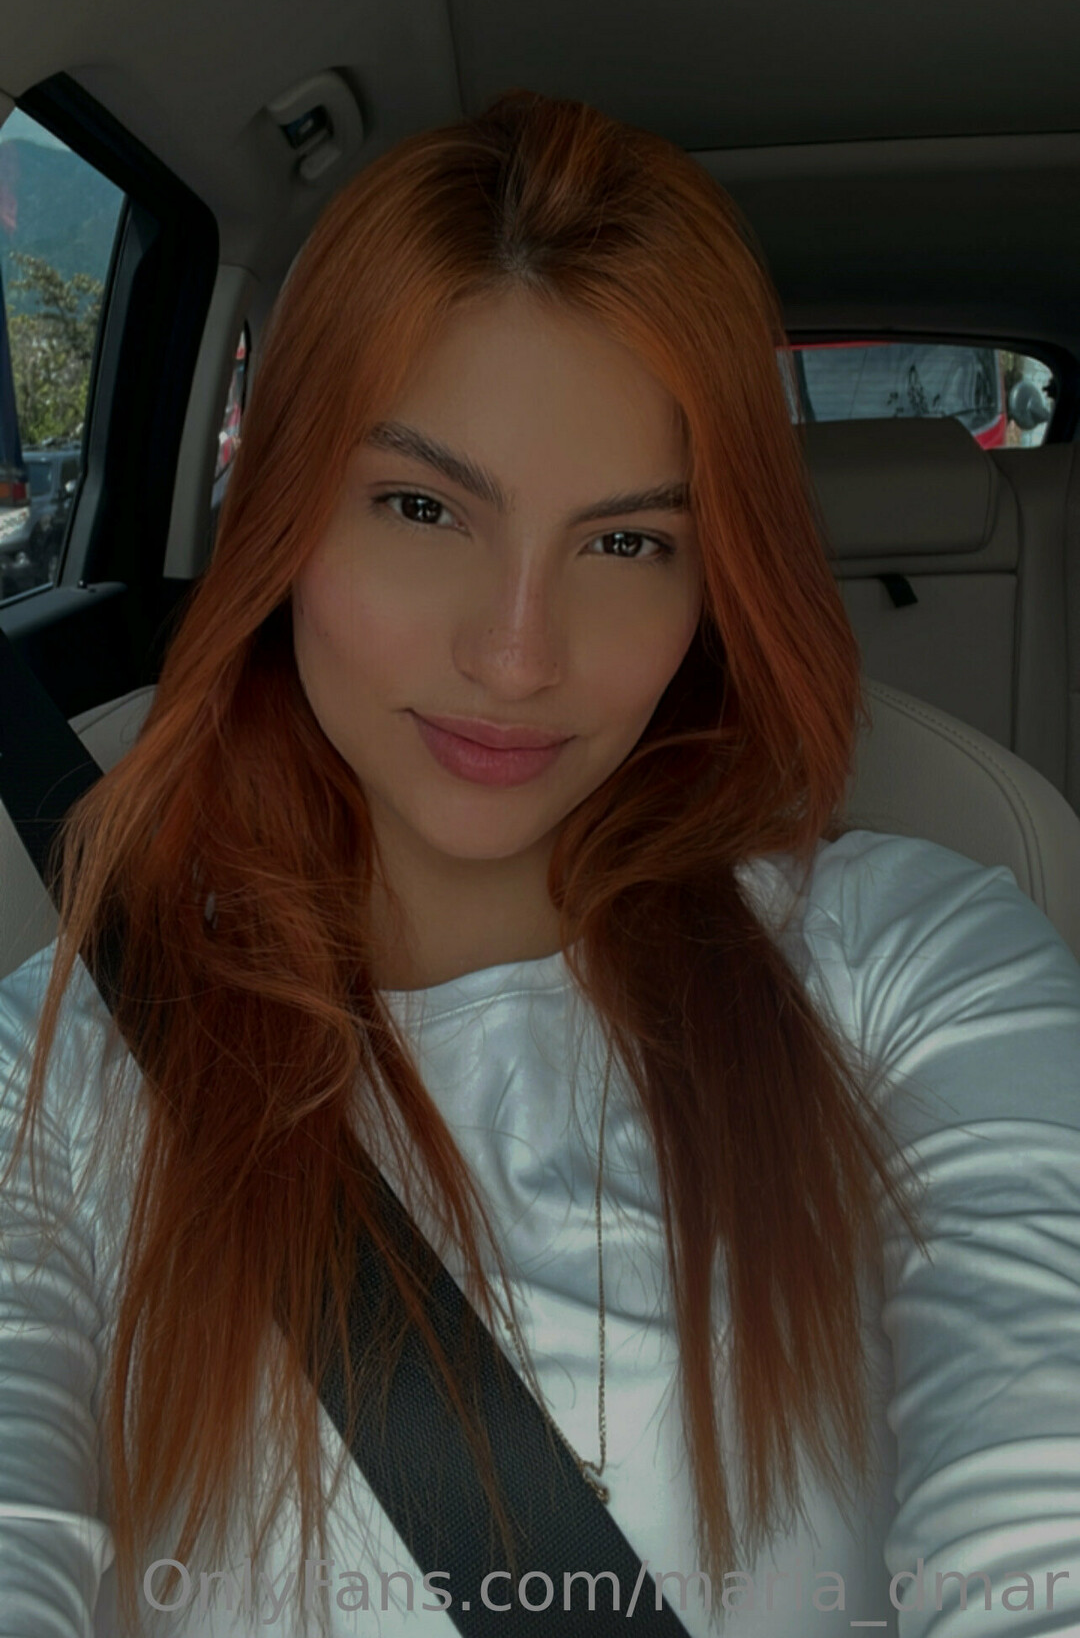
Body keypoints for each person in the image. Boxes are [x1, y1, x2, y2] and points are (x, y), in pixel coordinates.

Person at [1, 90, 1078, 1638]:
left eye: (626, 542)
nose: (517, 657)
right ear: (283, 518)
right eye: (422, 507)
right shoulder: (62, 1066)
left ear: (714, 582)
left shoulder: (916, 971)